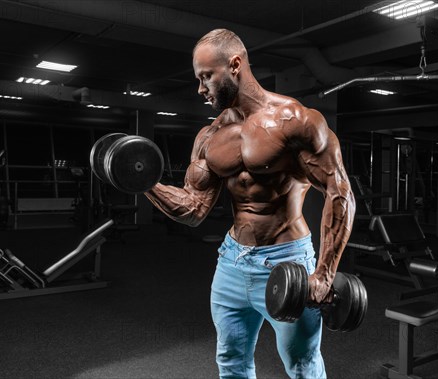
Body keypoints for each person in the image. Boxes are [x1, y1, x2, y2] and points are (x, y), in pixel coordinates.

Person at [145, 29, 355, 379]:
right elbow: (194, 208)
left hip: (286, 262)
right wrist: (145, 183)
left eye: (205, 77)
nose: (200, 89)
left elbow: (340, 193)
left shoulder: (296, 121)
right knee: (231, 362)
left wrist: (325, 273)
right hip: (231, 262)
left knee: (302, 365)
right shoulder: (209, 137)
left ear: (235, 65)